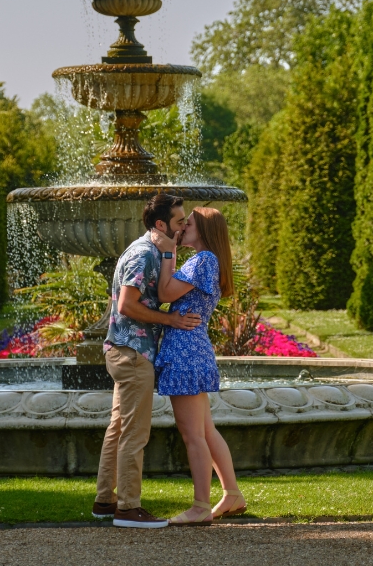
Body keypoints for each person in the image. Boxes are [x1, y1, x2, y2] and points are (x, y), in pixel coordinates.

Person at [93, 193, 201, 529]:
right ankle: (128, 508)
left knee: (119, 429)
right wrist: (170, 320)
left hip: (124, 351)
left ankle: (104, 501)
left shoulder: (151, 250)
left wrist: (169, 252)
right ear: (161, 224)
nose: (184, 227)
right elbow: (126, 305)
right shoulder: (143, 255)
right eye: (179, 222)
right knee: (135, 434)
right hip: (133, 355)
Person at [153, 206, 247, 525]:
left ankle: (200, 507)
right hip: (193, 347)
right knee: (205, 431)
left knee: (192, 434)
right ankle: (232, 494)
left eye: (188, 223)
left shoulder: (203, 260)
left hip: (185, 352)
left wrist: (168, 251)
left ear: (204, 230)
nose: (181, 227)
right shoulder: (207, 261)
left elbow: (165, 292)